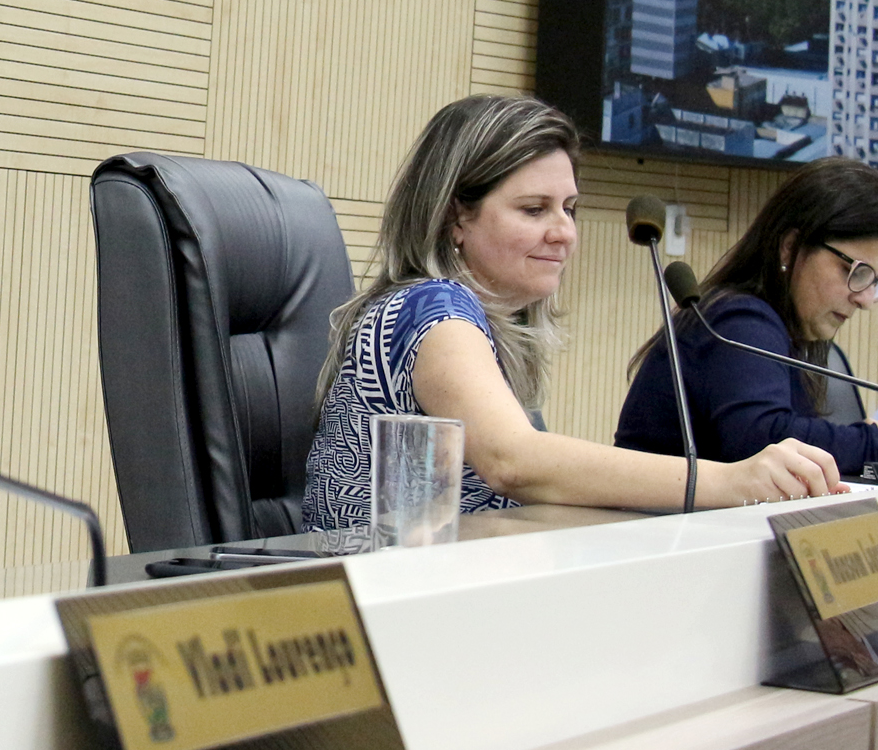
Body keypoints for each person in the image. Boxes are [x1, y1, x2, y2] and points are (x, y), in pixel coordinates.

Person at [302, 95, 841, 533]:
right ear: (454, 218)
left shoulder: (483, 321)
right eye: (534, 209)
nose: (564, 232)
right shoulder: (432, 308)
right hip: (369, 606)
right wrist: (730, 482)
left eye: (570, 209)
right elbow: (515, 462)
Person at [616, 158, 878, 476]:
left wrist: (866, 439)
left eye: (875, 281)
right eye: (857, 272)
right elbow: (764, 441)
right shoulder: (738, 319)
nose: (865, 300)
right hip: (655, 522)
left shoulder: (781, 331)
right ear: (789, 246)